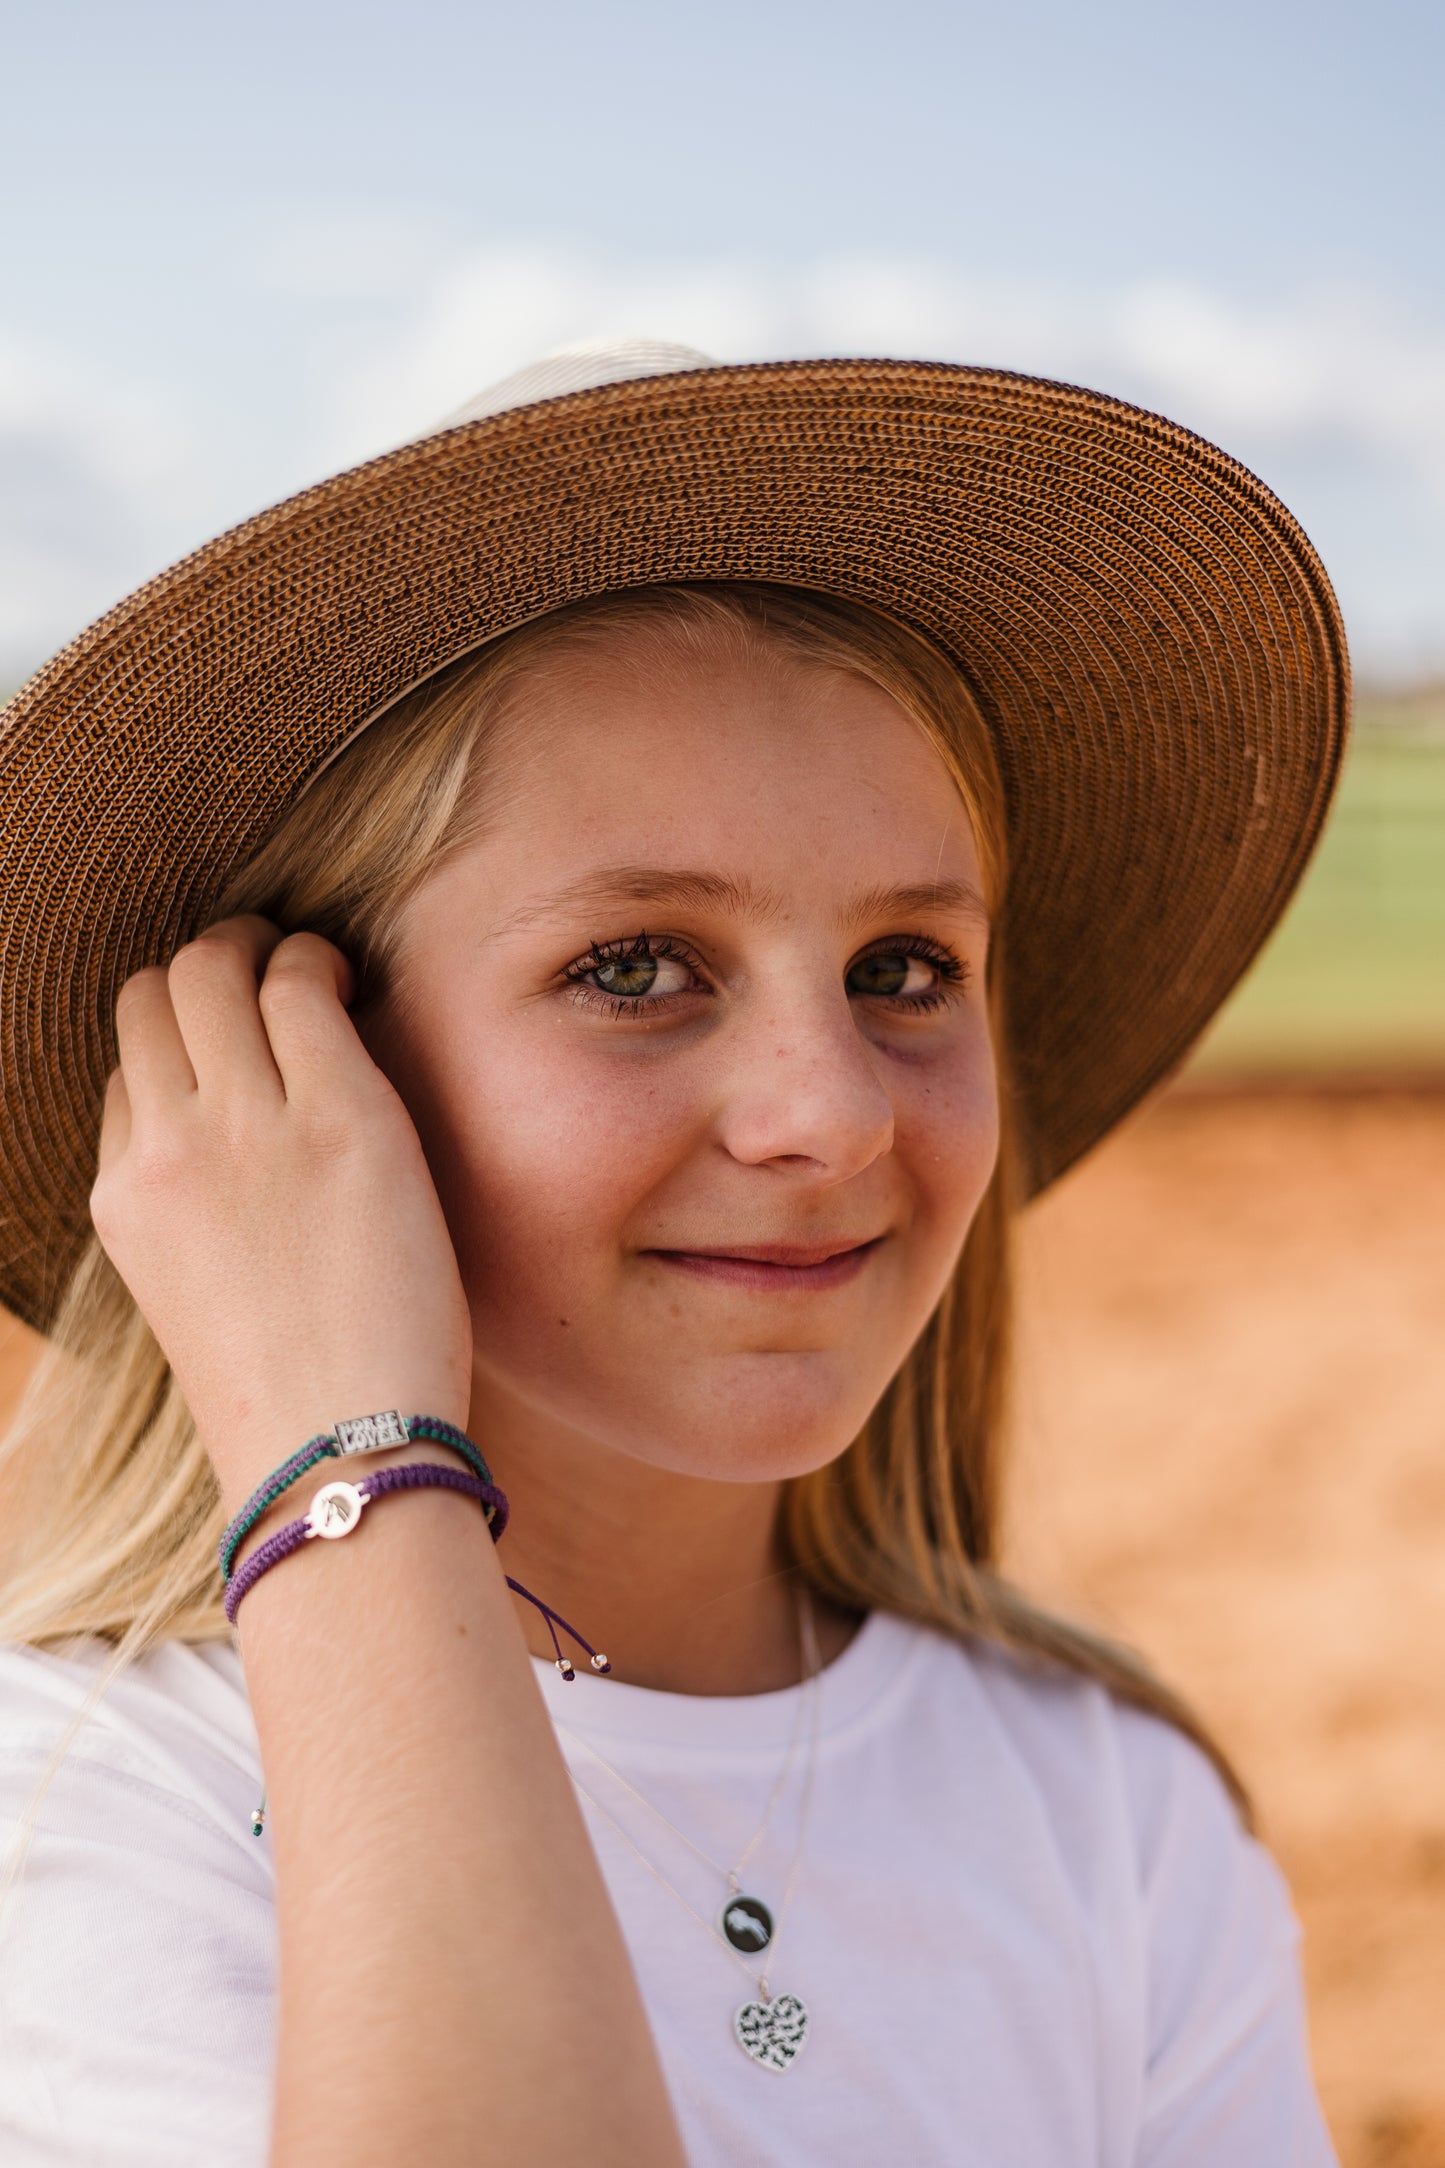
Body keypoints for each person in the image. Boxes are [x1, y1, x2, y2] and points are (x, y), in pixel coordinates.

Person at [0, 340, 1346, 2165]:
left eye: (904, 970)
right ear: (294, 1073)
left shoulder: (1112, 1811)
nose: (833, 1114)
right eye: (632, 966)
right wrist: (348, 1458)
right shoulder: (73, 1808)